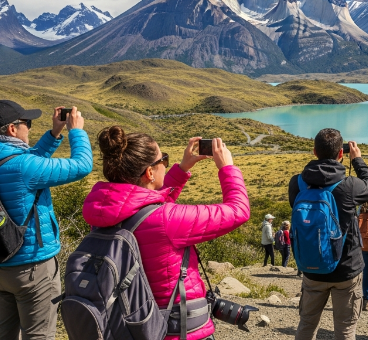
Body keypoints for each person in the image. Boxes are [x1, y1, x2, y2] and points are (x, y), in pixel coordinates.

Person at [83, 127, 250, 340]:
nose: (165, 163)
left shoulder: (103, 214)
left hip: (130, 326)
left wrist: (182, 168)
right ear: (150, 172)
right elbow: (239, 211)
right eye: (164, 159)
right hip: (175, 331)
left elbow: (144, 209)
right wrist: (227, 168)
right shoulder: (167, 220)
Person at [0, 103, 93, 340]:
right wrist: (76, 131)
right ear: (12, 129)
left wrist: (54, 134)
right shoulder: (25, 167)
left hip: (2, 264)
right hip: (32, 266)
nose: (29, 129)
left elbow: (26, 162)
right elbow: (82, 166)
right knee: (38, 336)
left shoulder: (17, 163)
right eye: (27, 123)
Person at [288, 129, 368, 340]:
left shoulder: (297, 184)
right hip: (346, 269)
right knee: (345, 330)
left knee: (307, 325)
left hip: (311, 267)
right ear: (341, 154)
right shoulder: (349, 186)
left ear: (314, 151)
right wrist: (357, 161)